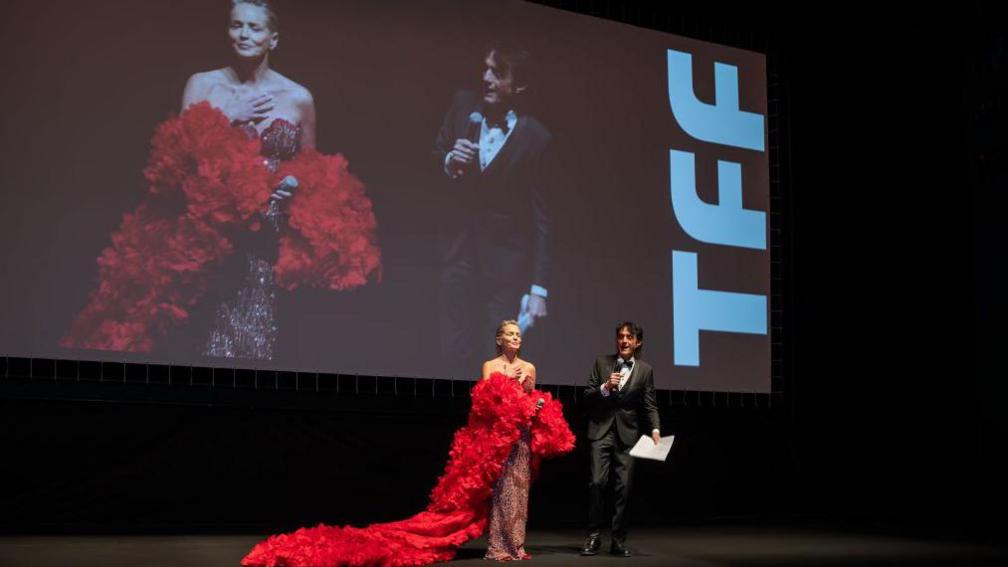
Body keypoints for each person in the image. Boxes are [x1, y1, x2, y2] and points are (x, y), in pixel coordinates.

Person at [61, 0, 381, 358]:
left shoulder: (298, 97)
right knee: (203, 340)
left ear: (272, 39)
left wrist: (290, 188)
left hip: (267, 238)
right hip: (212, 235)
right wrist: (228, 115)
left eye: (254, 27)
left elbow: (313, 169)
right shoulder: (202, 85)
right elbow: (174, 160)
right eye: (236, 25)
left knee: (259, 340)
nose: (243, 34)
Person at [241, 320, 574, 566]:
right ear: (500, 340)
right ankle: (499, 547)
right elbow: (485, 403)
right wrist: (509, 388)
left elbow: (532, 403)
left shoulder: (529, 368)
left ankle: (517, 545)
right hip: (492, 442)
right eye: (511, 335)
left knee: (518, 491)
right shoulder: (491, 366)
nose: (516, 339)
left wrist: (535, 399)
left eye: (519, 335)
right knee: (499, 493)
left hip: (519, 438)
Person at [432, 43, 552, 374]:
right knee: (451, 354)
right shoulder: (462, 105)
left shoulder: (536, 138)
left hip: (503, 270)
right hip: (457, 255)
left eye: (497, 73)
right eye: (485, 68)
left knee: (494, 365)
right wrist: (448, 161)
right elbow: (431, 160)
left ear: (518, 86)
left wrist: (538, 288)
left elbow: (542, 217)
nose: (485, 78)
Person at [581, 321, 661, 558]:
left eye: (629, 337)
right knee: (596, 483)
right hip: (601, 431)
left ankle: (617, 540)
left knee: (623, 488)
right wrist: (605, 387)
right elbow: (587, 395)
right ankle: (594, 536)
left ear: (638, 342)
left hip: (627, 435)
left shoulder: (645, 370)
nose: (624, 340)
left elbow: (649, 404)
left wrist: (655, 428)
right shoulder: (602, 362)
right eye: (620, 336)